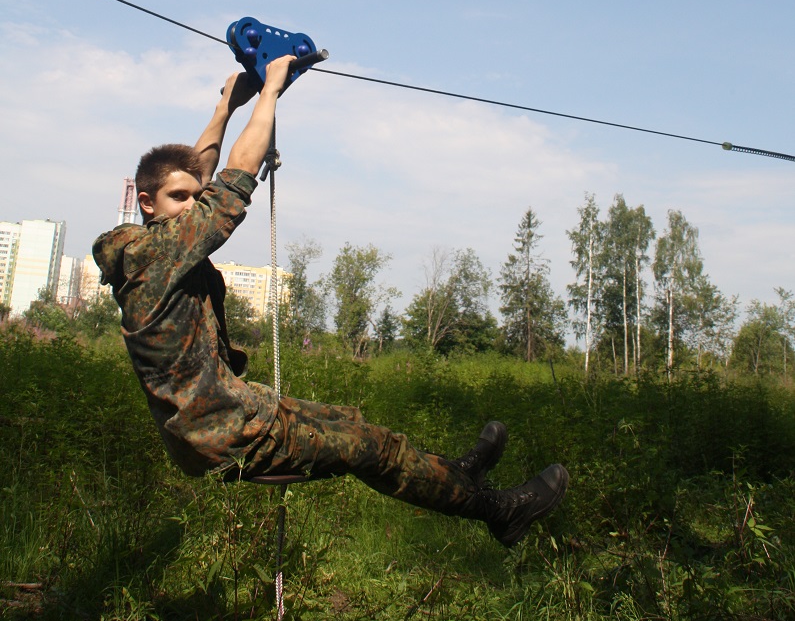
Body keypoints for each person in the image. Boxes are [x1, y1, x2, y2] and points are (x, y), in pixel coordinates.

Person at [93, 56, 568, 548]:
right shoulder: (153, 255)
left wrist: (226, 105)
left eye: (194, 196)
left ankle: (454, 474)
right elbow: (231, 183)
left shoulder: (151, 247)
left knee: (353, 425)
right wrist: (270, 92)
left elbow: (200, 171)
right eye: (179, 198)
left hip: (236, 411)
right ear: (148, 204)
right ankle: (500, 511)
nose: (193, 203)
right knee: (371, 450)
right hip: (221, 433)